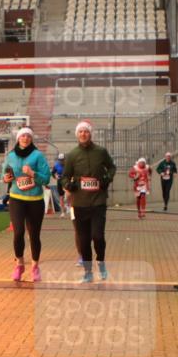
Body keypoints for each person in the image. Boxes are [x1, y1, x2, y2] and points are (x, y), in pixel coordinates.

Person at [61, 121, 117, 283]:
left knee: (97, 236)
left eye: (86, 132)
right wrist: (68, 185)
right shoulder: (72, 155)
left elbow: (112, 167)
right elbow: (64, 176)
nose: (83, 134)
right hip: (79, 203)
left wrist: (107, 179)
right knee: (84, 240)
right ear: (77, 135)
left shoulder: (100, 152)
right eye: (80, 132)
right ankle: (87, 272)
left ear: (90, 134)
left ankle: (101, 262)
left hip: (98, 201)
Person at [2, 127, 52, 282]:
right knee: (18, 233)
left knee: (34, 236)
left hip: (35, 201)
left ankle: (35, 267)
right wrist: (6, 178)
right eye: (22, 136)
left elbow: (46, 179)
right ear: (18, 138)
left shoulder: (37, 156)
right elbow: (4, 174)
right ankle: (20, 264)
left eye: (28, 136)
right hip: (17, 199)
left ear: (31, 139)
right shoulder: (10, 156)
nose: (25, 138)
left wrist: (32, 174)